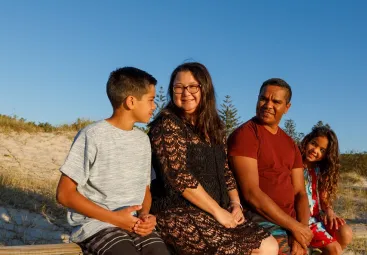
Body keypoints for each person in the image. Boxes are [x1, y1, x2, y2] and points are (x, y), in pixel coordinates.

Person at [148, 62, 278, 255]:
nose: (185, 93)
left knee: (269, 245)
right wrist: (218, 212)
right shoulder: (168, 124)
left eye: (193, 86)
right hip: (179, 210)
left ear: (205, 88)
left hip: (216, 209)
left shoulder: (215, 126)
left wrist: (235, 204)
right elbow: (179, 176)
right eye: (179, 87)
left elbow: (225, 171)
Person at [56, 67, 169, 255]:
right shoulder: (92, 135)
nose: (154, 106)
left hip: (133, 224)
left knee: (159, 251)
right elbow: (64, 194)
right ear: (131, 101)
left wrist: (145, 215)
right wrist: (115, 219)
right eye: (150, 100)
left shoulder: (142, 140)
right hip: (97, 226)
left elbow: (145, 190)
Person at [228, 78, 313, 255]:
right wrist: (295, 227)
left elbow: (300, 193)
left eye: (276, 101)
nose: (268, 105)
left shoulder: (290, 144)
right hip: (258, 217)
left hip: (290, 220)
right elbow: (252, 194)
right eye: (263, 99)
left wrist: (301, 230)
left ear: (287, 108)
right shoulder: (246, 135)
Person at [301, 127, 353, 255]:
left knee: (345, 233)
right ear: (307, 140)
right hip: (301, 218)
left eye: (322, 150)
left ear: (327, 155)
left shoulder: (320, 170)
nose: (315, 150)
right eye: (313, 144)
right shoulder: (294, 163)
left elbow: (323, 197)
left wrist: (329, 211)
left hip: (317, 216)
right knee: (335, 250)